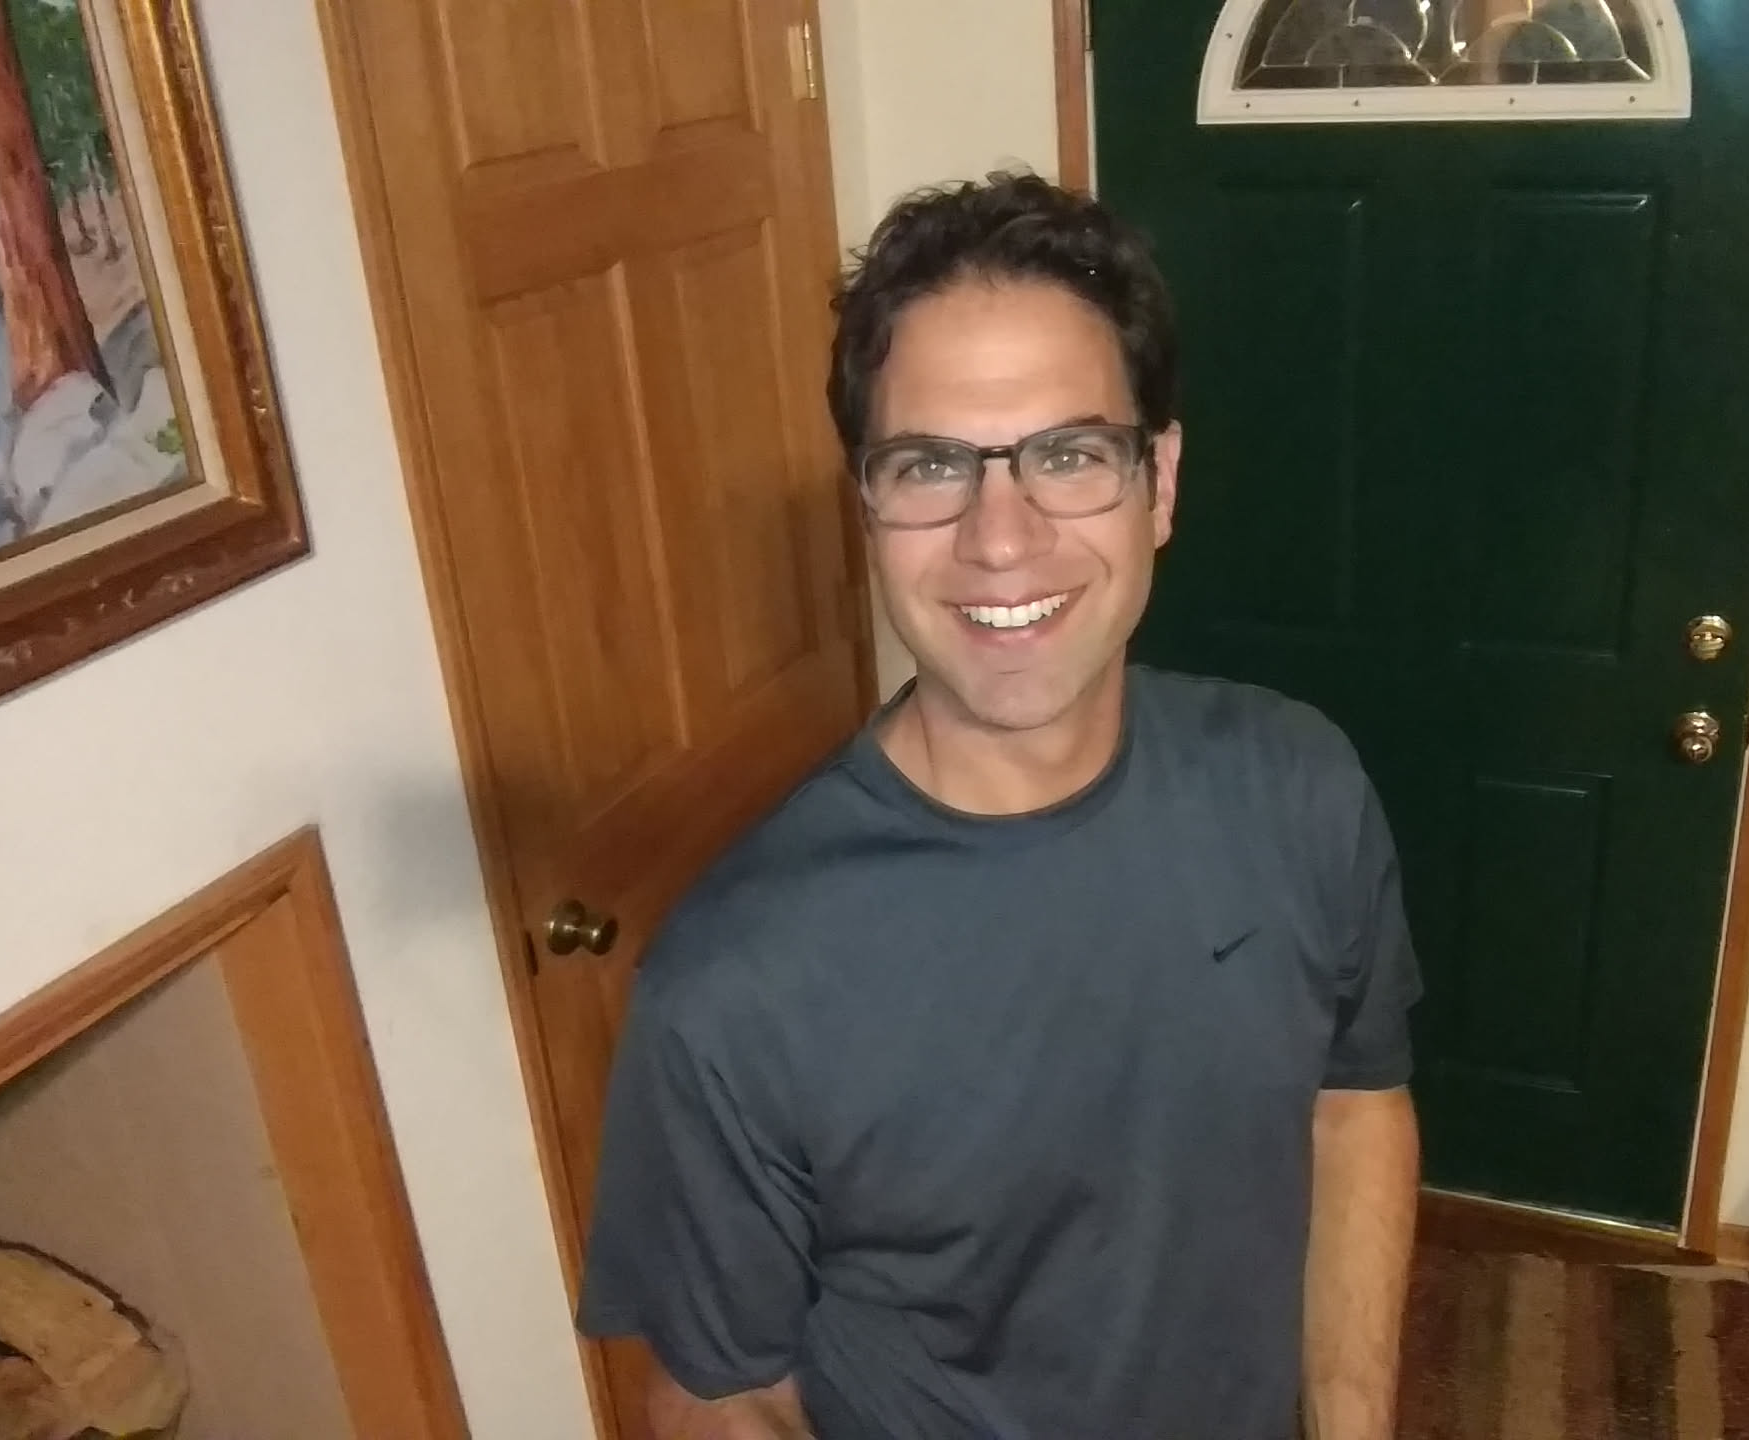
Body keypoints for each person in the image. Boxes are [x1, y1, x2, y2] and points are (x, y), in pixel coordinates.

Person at [578, 171, 1423, 1440]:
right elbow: (722, 1397)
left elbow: (1352, 1105)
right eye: (930, 466)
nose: (1000, 538)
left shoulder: (1300, 787)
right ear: (866, 506)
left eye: (1069, 455)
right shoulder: (735, 983)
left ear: (1160, 482)